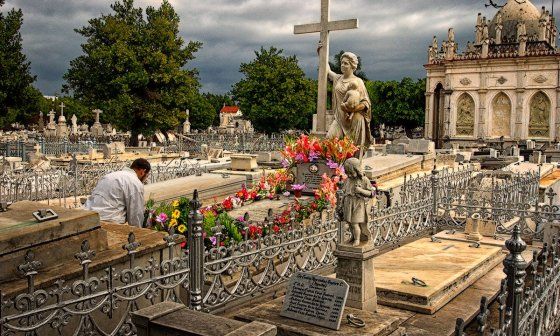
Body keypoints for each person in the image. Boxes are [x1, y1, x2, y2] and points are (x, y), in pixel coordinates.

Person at [320, 47, 372, 161]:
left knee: (352, 151)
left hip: (355, 120)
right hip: (339, 119)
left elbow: (365, 103)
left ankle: (349, 174)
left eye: (346, 63)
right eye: (341, 63)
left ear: (352, 66)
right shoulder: (338, 78)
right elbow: (327, 71)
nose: (342, 65)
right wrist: (321, 52)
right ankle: (334, 170)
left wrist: (352, 109)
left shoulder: (358, 81)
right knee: (329, 140)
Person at [84, 158, 150, 227]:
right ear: (143, 171)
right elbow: (135, 214)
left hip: (88, 215)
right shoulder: (135, 183)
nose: (145, 179)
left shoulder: (110, 175)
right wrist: (138, 233)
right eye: (147, 176)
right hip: (107, 221)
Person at [340, 158, 375, 246]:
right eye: (347, 173)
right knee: (350, 223)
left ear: (357, 170)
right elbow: (344, 193)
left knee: (355, 223)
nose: (349, 175)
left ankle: (357, 239)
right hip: (348, 203)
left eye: (351, 173)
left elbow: (371, 193)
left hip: (358, 204)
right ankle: (353, 237)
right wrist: (341, 204)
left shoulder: (364, 180)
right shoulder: (348, 180)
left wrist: (360, 190)